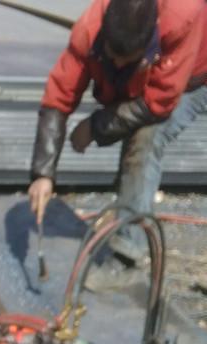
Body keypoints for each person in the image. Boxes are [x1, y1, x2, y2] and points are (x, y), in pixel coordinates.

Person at [28, 0, 207, 290]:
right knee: (133, 138)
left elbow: (158, 103)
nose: (120, 66)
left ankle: (128, 258)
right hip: (154, 64)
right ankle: (130, 199)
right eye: (114, 57)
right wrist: (43, 173)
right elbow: (59, 93)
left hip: (193, 74)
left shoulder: (183, 16)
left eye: (130, 61)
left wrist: (95, 126)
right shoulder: (90, 30)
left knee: (145, 139)